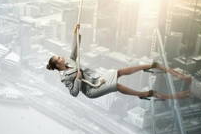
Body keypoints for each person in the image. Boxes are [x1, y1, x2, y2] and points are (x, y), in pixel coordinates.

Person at [46, 23, 191, 100]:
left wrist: (76, 33)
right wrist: (77, 78)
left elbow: (74, 50)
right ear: (57, 64)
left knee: (119, 72)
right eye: (59, 58)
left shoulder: (70, 62)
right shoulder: (64, 78)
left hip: (96, 80)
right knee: (116, 85)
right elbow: (74, 93)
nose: (61, 57)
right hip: (92, 89)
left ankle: (151, 66)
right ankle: (143, 94)